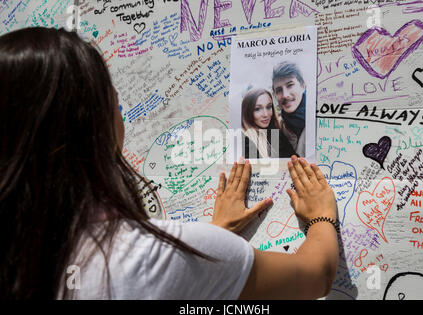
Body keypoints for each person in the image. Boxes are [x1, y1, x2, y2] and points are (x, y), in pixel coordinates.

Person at [0, 27, 339, 300]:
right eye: (114, 104)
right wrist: (321, 217)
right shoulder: (148, 257)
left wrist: (211, 240)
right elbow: (316, 275)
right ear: (95, 122)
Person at [241, 88, 297, 159]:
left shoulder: (276, 133)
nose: (266, 114)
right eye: (257, 109)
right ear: (247, 112)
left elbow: (295, 159)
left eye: (268, 107)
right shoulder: (244, 140)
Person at [272, 61, 307, 157]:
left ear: (303, 86)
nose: (285, 95)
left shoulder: (319, 122)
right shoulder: (277, 128)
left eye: (290, 85)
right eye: (279, 90)